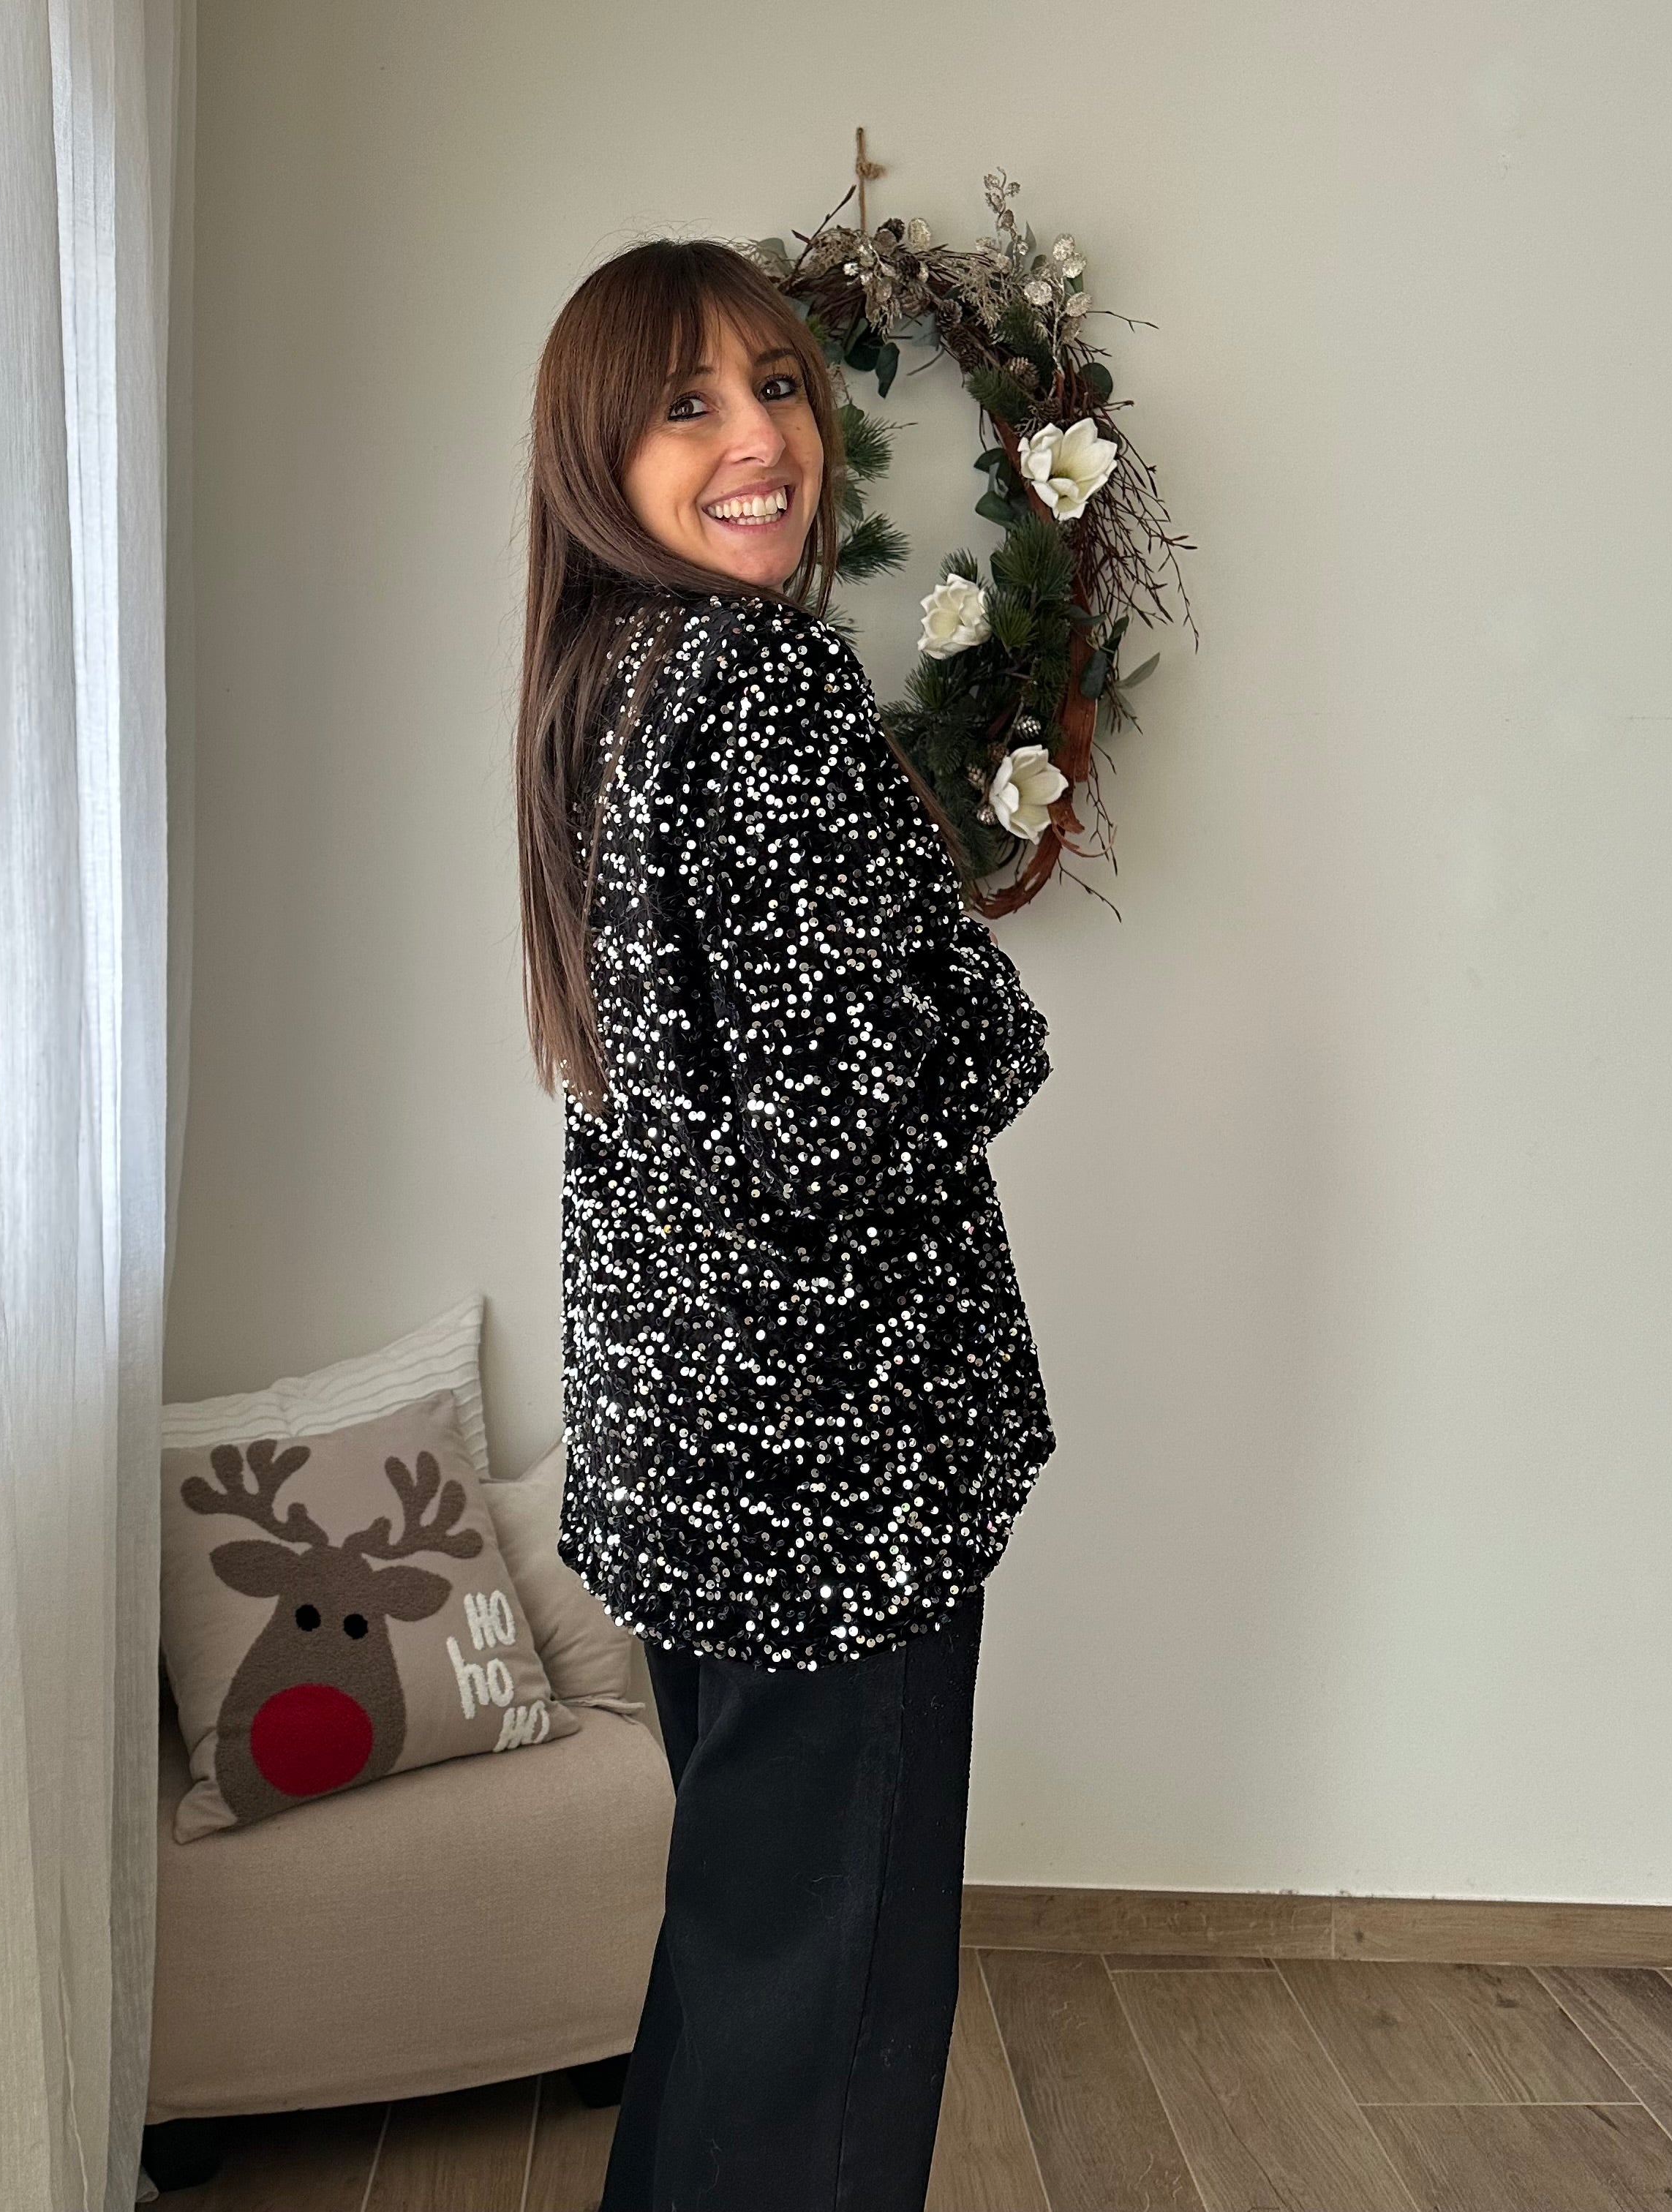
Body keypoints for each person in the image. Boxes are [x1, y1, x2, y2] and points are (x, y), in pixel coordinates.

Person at [513, 236, 1055, 2212]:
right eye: (687, 406)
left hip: (693, 1441)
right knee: (824, 2027)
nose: (762, 440)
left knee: (748, 1962)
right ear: (599, 455)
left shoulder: (602, 682)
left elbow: (710, 1101)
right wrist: (986, 1025)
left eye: (776, 388)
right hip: (835, 1463)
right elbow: (854, 1115)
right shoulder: (757, 684)